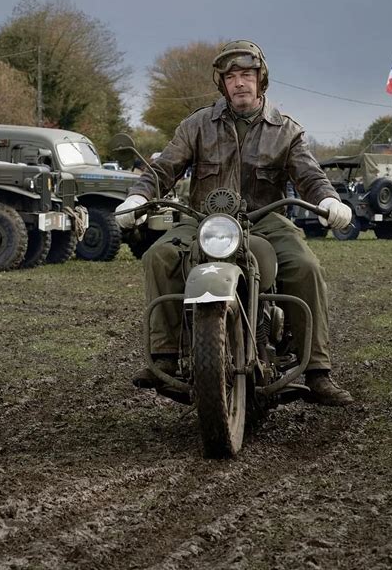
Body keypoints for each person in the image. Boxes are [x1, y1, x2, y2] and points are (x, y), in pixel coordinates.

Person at [115, 40, 353, 406]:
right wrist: (138, 197)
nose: (239, 83)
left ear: (261, 81)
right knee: (158, 256)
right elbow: (163, 168)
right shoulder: (197, 124)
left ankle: (318, 370)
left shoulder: (285, 131)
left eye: (246, 75)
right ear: (222, 84)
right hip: (203, 220)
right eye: (231, 77)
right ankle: (163, 355)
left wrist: (329, 199)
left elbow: (310, 175)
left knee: (306, 267)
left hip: (264, 221)